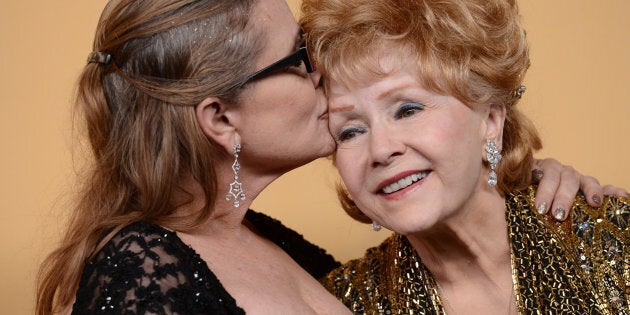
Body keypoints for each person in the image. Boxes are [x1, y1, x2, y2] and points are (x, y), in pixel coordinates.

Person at [36, 0, 619, 314]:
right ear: (219, 120)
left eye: (408, 110)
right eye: (299, 58)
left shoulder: (279, 248)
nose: (320, 74)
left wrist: (536, 187)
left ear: (492, 118)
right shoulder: (139, 269)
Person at [301, 0, 629, 313]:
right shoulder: (340, 304)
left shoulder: (613, 242)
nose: (381, 150)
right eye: (350, 132)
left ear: (490, 121)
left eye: (407, 110)